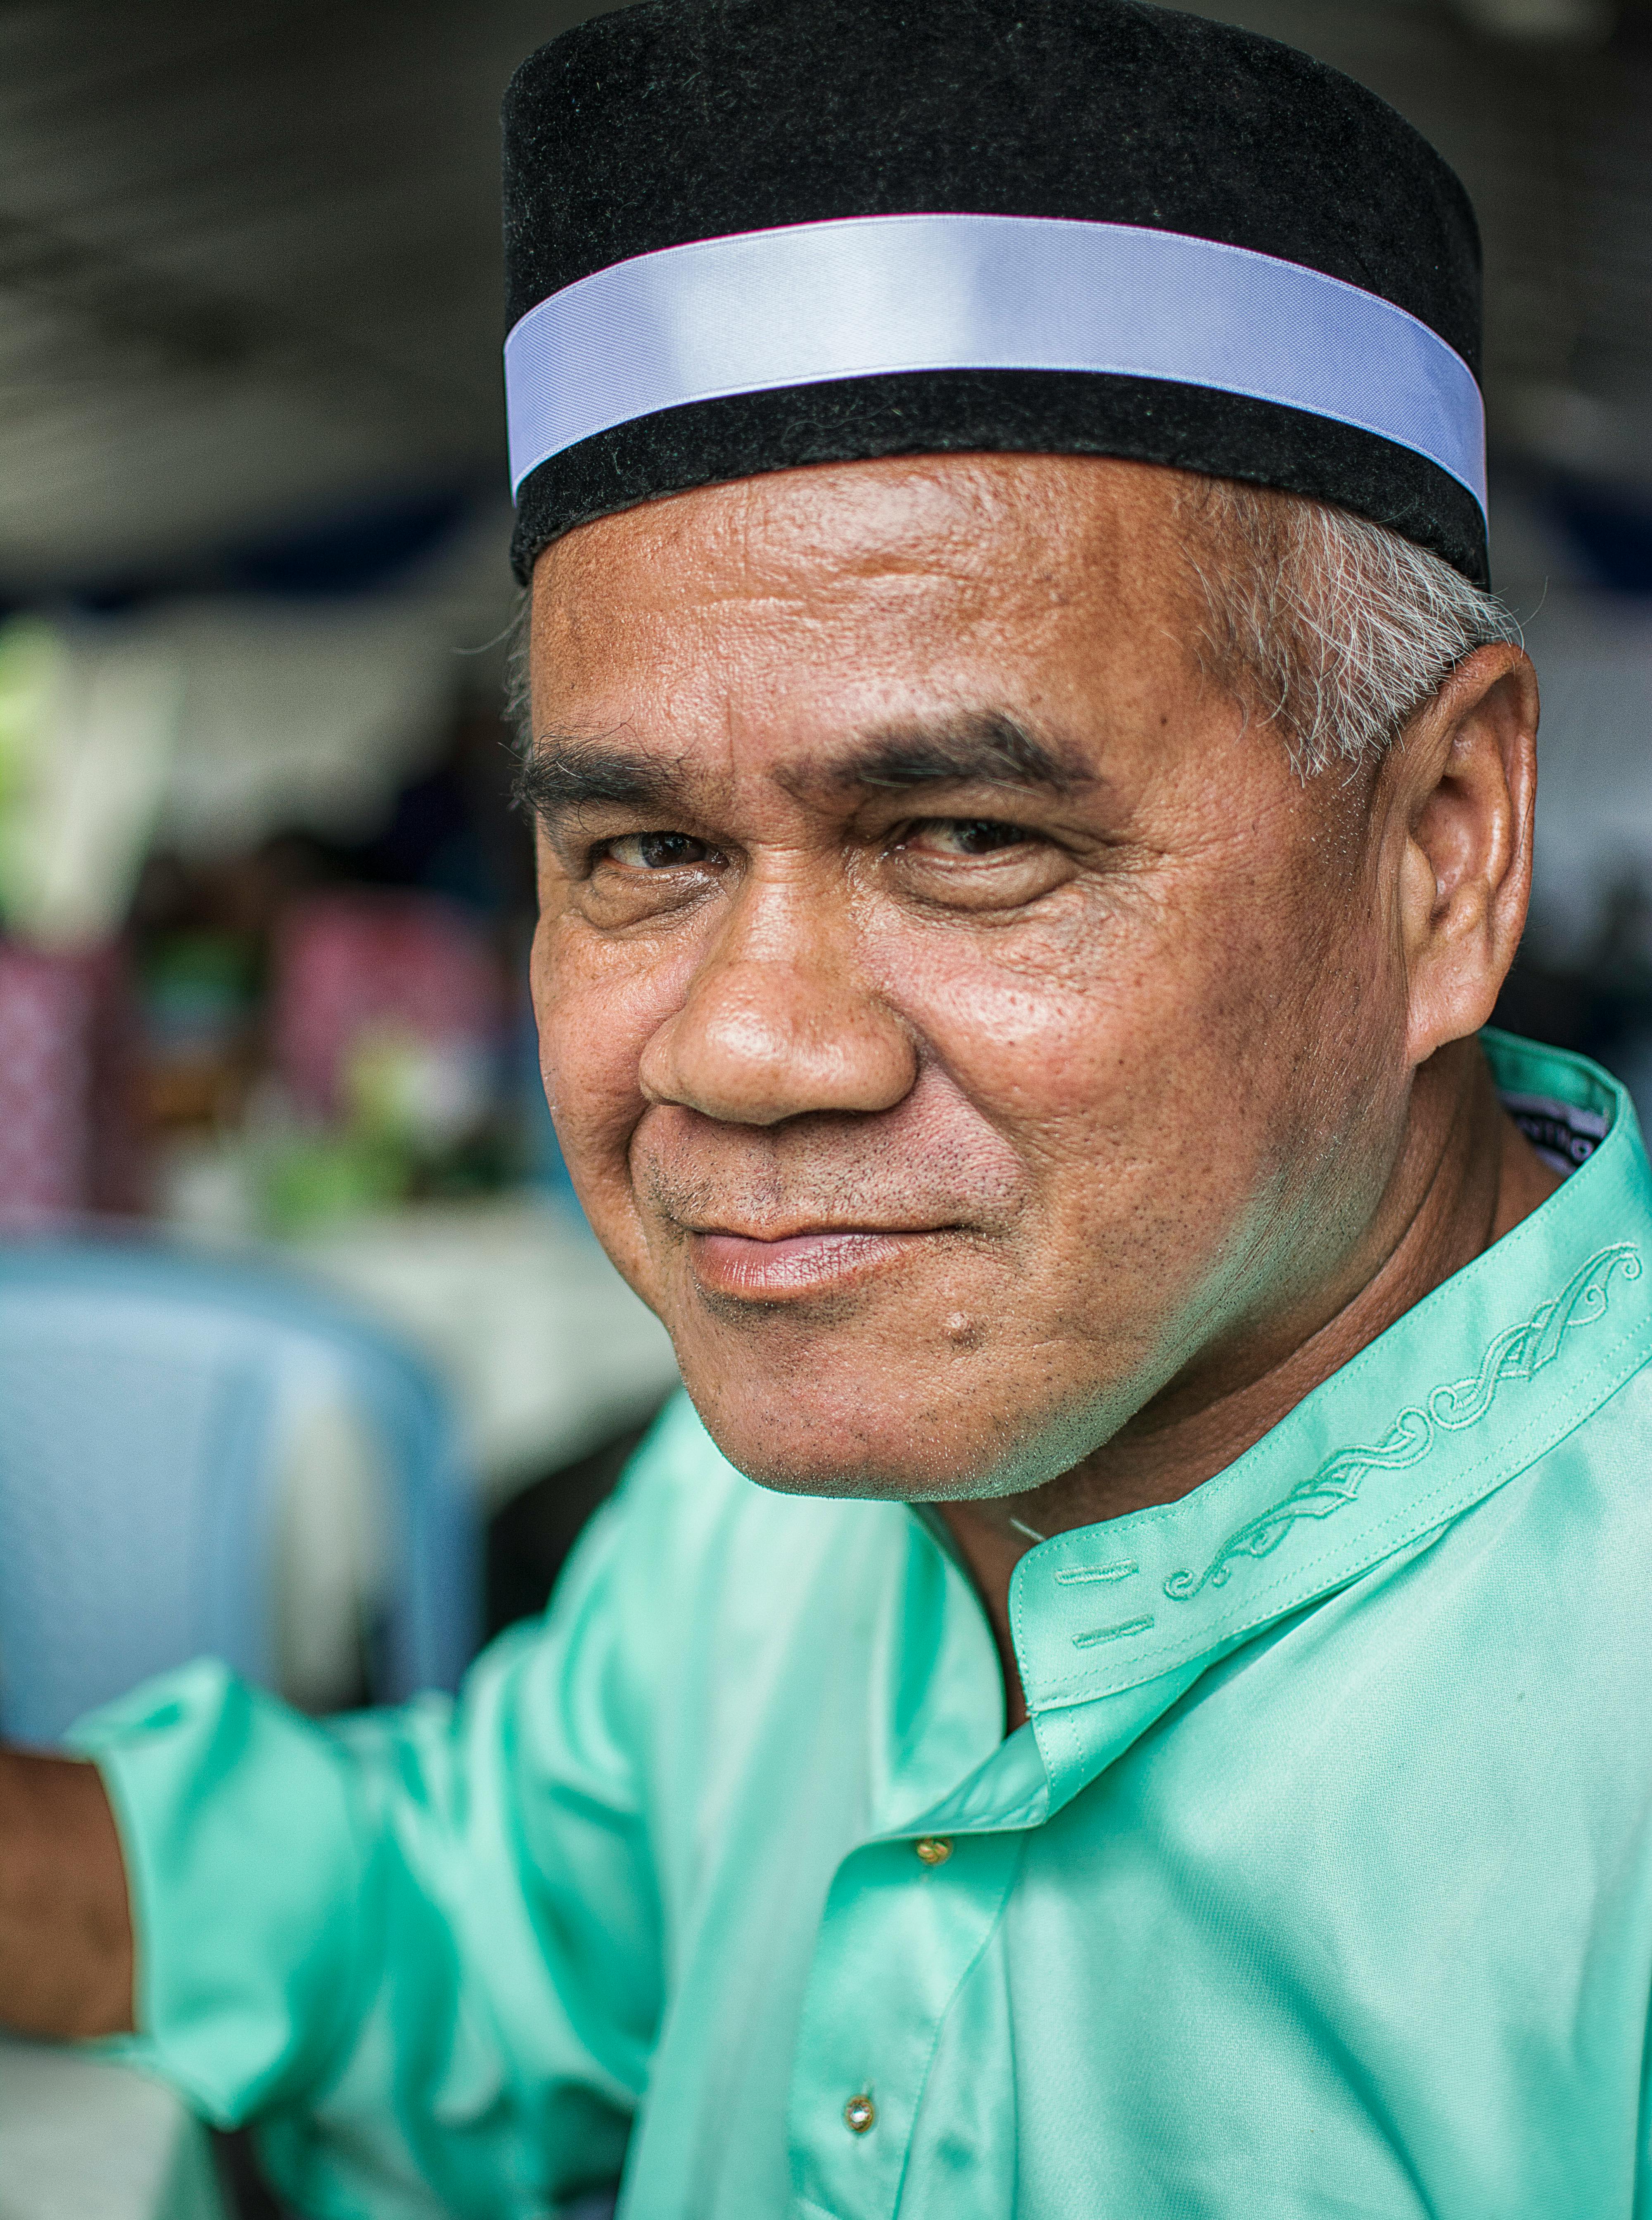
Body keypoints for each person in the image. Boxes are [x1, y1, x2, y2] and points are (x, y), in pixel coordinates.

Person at [5, 2, 1651, 2213]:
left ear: (1445, 844)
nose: (740, 1052)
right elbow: (478, 1941)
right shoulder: (763, 1495)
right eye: (643, 856)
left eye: (971, 835)